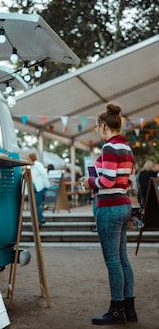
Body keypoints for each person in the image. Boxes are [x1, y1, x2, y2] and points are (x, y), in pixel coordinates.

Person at [81, 103, 138, 325]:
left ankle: (116, 311)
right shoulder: (127, 149)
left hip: (109, 207)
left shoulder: (109, 148)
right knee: (123, 259)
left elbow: (106, 181)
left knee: (113, 261)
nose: (96, 130)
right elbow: (128, 180)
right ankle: (129, 309)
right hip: (124, 204)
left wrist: (88, 182)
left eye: (97, 126)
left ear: (104, 125)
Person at [27, 152, 51, 227]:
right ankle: (39, 220)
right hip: (35, 188)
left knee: (36, 203)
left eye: (28, 158)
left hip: (40, 187)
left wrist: (47, 186)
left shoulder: (37, 165)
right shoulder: (31, 166)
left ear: (31, 158)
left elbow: (44, 175)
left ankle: (40, 220)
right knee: (36, 204)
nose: (27, 160)